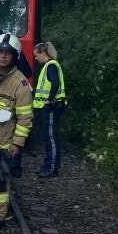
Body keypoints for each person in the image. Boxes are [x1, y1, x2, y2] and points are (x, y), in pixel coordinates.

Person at [0, 34, 34, 228]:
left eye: (8, 53)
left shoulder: (20, 85)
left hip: (1, 142)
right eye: (0, 52)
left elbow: (25, 118)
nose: (3, 56)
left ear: (14, 56)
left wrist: (17, 143)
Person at [32, 41, 66, 178]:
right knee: (49, 137)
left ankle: (51, 169)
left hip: (51, 107)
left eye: (36, 56)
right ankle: (49, 166)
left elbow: (55, 84)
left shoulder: (50, 66)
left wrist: (49, 100)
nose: (35, 59)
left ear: (43, 53)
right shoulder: (49, 66)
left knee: (51, 138)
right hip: (50, 107)